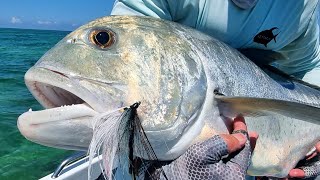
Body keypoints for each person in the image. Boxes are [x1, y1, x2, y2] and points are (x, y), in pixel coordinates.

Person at [110, 0, 320, 179]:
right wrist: (152, 170)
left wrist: (313, 137)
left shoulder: (302, 6)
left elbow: (307, 66)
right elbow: (125, 65)